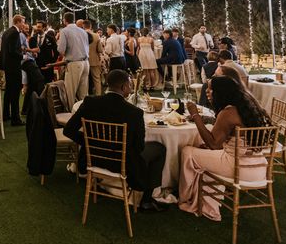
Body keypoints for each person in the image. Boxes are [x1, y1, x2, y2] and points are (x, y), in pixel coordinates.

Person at [63, 69, 167, 212]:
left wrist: (90, 143)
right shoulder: (134, 113)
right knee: (159, 148)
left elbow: (68, 130)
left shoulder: (90, 102)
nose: (130, 89)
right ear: (124, 87)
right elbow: (139, 147)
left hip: (94, 159)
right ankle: (147, 200)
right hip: (122, 164)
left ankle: (98, 183)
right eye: (130, 85)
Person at [179, 76, 272, 221]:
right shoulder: (249, 106)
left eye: (210, 89)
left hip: (238, 169)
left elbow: (214, 144)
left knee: (187, 151)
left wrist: (195, 115)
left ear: (221, 92)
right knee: (201, 147)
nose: (207, 91)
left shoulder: (228, 113)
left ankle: (184, 197)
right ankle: (206, 203)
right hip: (259, 168)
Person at [0, 15, 26, 126]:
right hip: (14, 66)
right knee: (15, 92)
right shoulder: (15, 33)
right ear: (18, 22)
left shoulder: (6, 32)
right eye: (23, 22)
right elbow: (13, 51)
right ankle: (15, 119)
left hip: (7, 66)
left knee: (9, 91)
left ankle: (5, 114)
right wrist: (23, 56)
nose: (24, 24)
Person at [58, 12, 90, 108]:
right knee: (84, 93)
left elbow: (61, 50)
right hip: (85, 62)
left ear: (64, 20)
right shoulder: (83, 31)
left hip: (74, 63)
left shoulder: (64, 31)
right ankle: (84, 114)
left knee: (70, 92)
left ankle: (71, 115)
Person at [84, 20, 103, 95]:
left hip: (84, 60)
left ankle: (86, 96)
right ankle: (99, 95)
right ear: (90, 26)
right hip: (94, 60)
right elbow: (100, 50)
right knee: (97, 79)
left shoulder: (81, 34)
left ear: (83, 26)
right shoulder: (96, 35)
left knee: (85, 80)